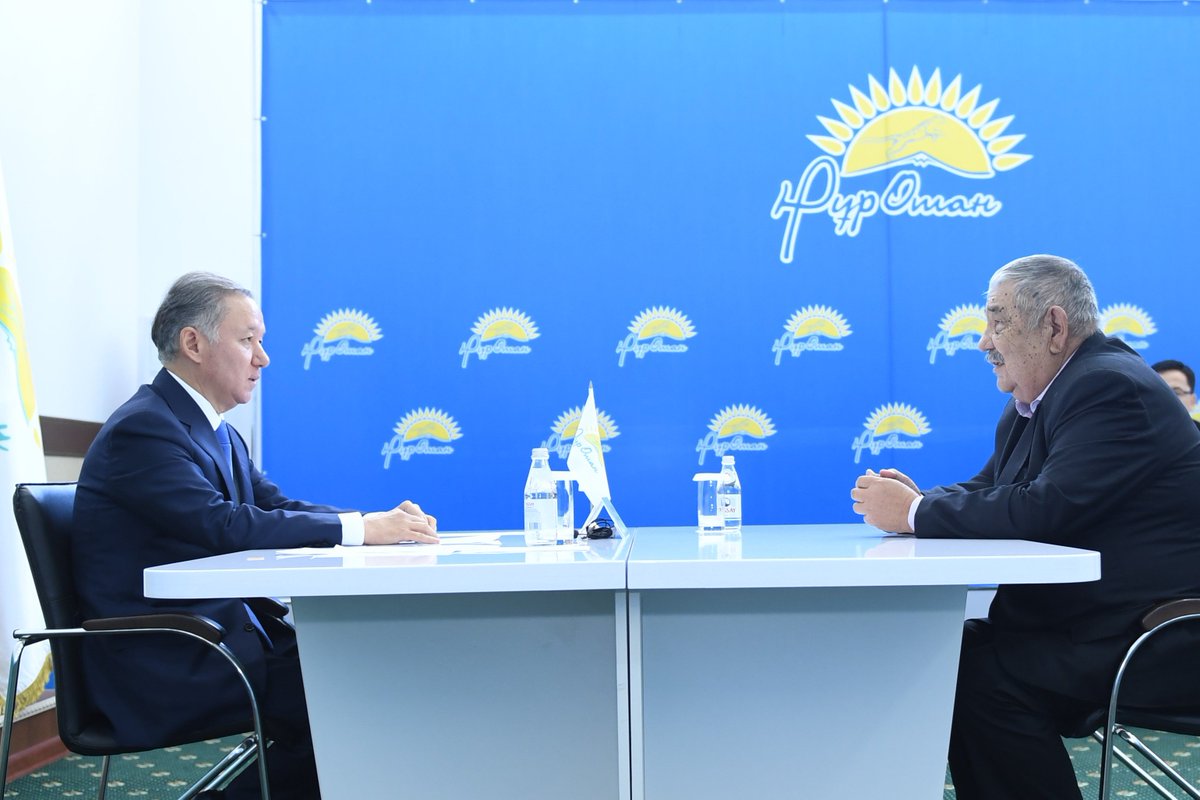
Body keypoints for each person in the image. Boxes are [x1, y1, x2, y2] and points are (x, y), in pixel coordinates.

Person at [73, 272, 439, 800]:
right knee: (352, 702)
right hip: (171, 655)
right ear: (193, 343)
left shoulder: (216, 431)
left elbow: (274, 507)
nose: (263, 358)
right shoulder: (144, 430)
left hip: (223, 636)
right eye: (248, 340)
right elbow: (222, 525)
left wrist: (374, 522)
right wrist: (363, 531)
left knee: (366, 678)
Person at [850, 255, 1200, 800]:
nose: (983, 342)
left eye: (997, 321)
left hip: (1152, 636)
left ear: (1054, 327)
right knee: (939, 651)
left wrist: (915, 515)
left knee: (975, 673)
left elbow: (1045, 508)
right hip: (1083, 626)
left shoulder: (1109, 387)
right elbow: (992, 488)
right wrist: (920, 501)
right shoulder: (1037, 399)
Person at [1152, 358, 1200, 430]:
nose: (1167, 399)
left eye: (1176, 393)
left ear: (1192, 401)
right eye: (1159, 392)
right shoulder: (1134, 433)